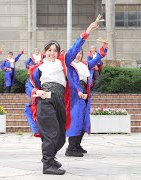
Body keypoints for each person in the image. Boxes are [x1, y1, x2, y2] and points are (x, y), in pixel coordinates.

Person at [28, 20, 99, 175]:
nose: (52, 53)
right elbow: (29, 86)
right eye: (49, 50)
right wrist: (36, 91)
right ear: (44, 52)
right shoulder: (37, 68)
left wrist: (87, 32)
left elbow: (74, 49)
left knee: (60, 136)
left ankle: (50, 158)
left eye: (55, 50)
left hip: (60, 101)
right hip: (45, 101)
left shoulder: (63, 63)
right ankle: (47, 164)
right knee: (51, 133)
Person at [66, 42, 108, 157]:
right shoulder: (69, 65)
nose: (78, 55)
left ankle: (77, 145)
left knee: (84, 120)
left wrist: (103, 49)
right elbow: (71, 82)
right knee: (76, 120)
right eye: (77, 53)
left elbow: (95, 61)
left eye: (80, 53)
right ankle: (71, 148)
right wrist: (78, 91)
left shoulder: (85, 64)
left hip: (85, 93)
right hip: (75, 94)